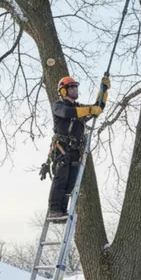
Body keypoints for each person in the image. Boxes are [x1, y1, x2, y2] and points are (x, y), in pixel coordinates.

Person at [41, 75, 110, 222]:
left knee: (70, 182)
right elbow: (68, 113)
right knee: (61, 178)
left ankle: (62, 211)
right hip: (62, 149)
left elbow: (97, 108)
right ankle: (54, 209)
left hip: (74, 150)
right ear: (64, 91)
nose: (75, 89)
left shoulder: (79, 108)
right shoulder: (59, 106)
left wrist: (104, 91)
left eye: (75, 87)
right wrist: (90, 109)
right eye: (71, 87)